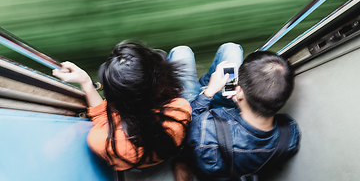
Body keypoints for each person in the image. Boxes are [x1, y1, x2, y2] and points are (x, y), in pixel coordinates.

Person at [52, 41, 194, 172]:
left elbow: (103, 120)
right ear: (157, 87)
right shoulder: (180, 109)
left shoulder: (102, 141)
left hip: (136, 163)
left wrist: (86, 83)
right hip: (164, 148)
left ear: (116, 102)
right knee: (182, 51)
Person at [178, 43, 301, 180]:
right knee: (231, 49)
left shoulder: (205, 133)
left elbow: (188, 124)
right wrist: (238, 99)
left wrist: (209, 92)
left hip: (202, 117)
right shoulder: (290, 133)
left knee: (181, 53)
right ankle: (207, 82)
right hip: (230, 115)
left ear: (239, 91)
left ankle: (207, 83)